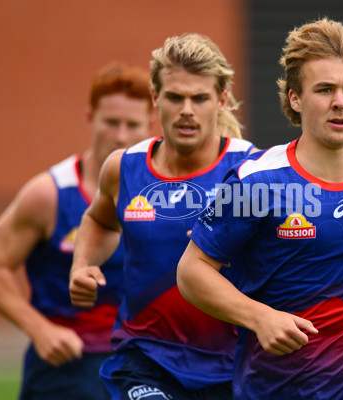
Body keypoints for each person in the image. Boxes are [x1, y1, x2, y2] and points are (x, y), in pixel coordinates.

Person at [177, 17, 343, 399]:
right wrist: (259, 317)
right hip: (273, 387)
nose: (340, 102)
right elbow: (192, 271)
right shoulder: (255, 181)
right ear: (295, 98)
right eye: (324, 89)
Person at [69, 33, 257, 400]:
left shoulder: (252, 170)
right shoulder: (123, 167)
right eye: (175, 97)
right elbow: (100, 220)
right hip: (146, 356)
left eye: (199, 98)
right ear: (155, 98)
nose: (187, 109)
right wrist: (82, 265)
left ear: (220, 101)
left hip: (234, 364)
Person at [0, 61, 157, 400]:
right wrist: (40, 330)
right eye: (111, 122)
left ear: (150, 125)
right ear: (90, 118)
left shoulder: (164, 194)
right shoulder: (50, 194)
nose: (120, 135)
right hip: (66, 366)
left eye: (132, 124)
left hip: (141, 361)